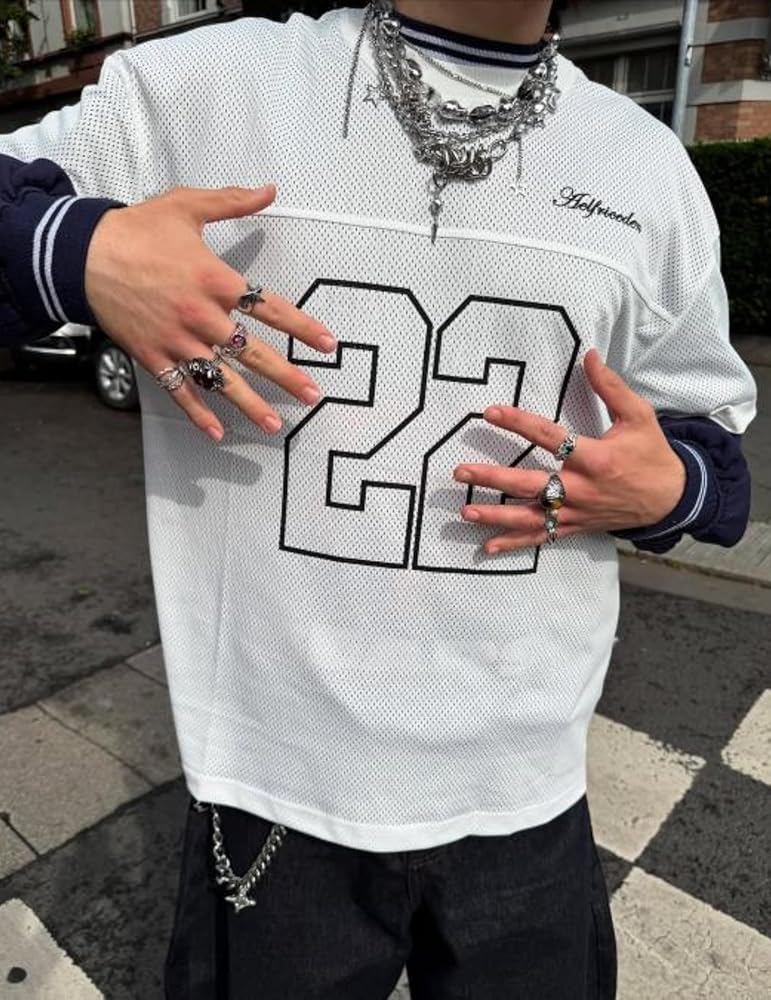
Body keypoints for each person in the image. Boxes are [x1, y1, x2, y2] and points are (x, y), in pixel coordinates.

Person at [0, 1, 756, 997]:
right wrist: (76, 248)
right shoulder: (206, 88)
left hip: (526, 786)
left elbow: (710, 449)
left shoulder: (645, 164)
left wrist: (669, 487)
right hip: (274, 784)